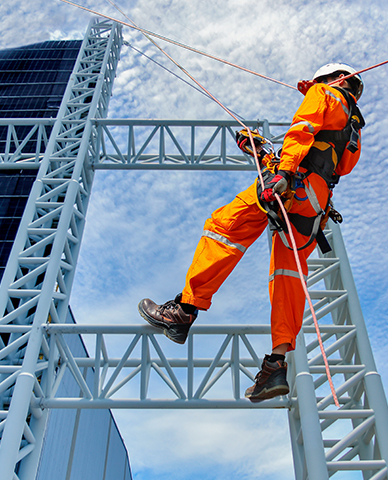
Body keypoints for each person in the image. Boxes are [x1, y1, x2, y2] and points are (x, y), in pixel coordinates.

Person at [138, 63, 366, 402]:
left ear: (330, 79)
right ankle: (276, 364)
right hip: (315, 203)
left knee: (225, 228)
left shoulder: (325, 93)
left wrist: (283, 172)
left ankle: (184, 310)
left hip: (295, 184)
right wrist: (264, 153)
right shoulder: (352, 128)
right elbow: (329, 160)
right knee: (288, 275)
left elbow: (302, 129)